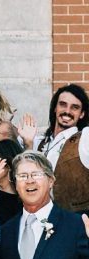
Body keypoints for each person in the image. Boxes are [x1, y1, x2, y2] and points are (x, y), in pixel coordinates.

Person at [20, 84, 89, 213]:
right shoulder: (38, 140)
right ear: (55, 108)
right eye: (63, 104)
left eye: (75, 107)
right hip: (39, 216)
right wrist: (28, 144)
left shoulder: (85, 138)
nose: (67, 111)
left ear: (82, 114)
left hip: (75, 219)